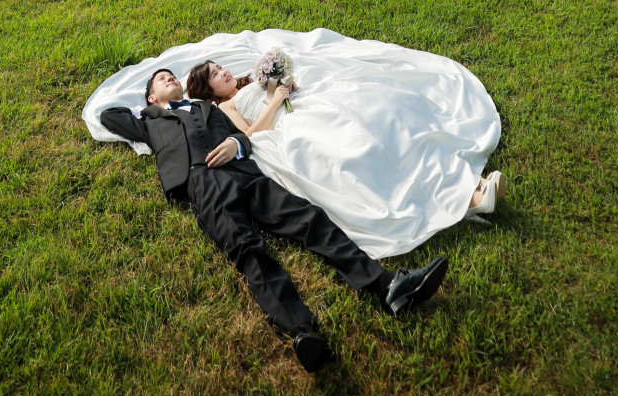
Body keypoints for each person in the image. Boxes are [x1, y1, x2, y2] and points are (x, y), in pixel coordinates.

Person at [97, 65, 448, 372]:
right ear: (150, 97)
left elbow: (237, 133)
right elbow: (108, 115)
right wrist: (147, 109)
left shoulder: (206, 107)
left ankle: (387, 286)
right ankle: (301, 331)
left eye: (172, 74)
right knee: (248, 249)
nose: (170, 77)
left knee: (308, 218)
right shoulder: (150, 120)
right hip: (201, 182)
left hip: (244, 172)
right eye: (161, 78)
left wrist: (237, 145)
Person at [184, 60, 506, 261]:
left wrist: (284, 86)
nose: (223, 71)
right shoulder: (223, 108)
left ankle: (464, 182)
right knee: (357, 147)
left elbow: (275, 92)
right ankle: (466, 198)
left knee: (379, 114)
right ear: (207, 89)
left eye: (219, 66)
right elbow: (251, 134)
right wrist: (277, 101)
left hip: (305, 102)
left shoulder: (246, 79)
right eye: (214, 73)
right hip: (288, 124)